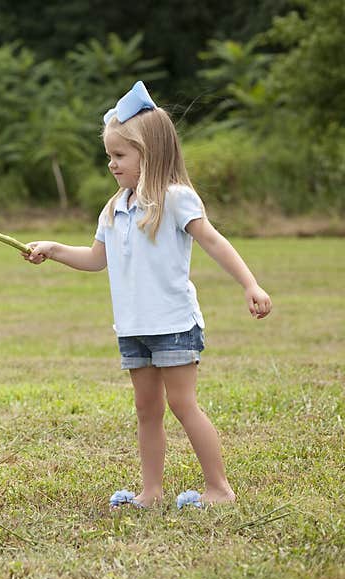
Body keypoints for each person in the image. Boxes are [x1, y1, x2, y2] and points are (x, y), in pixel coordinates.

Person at [23, 82, 272, 510]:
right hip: (133, 327)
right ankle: (151, 492)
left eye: (120, 156)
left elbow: (213, 241)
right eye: (109, 156)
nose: (111, 164)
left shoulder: (175, 200)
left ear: (149, 154)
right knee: (147, 410)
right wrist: (55, 250)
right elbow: (96, 258)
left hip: (173, 324)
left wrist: (250, 283)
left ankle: (220, 489)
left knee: (182, 404)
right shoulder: (114, 207)